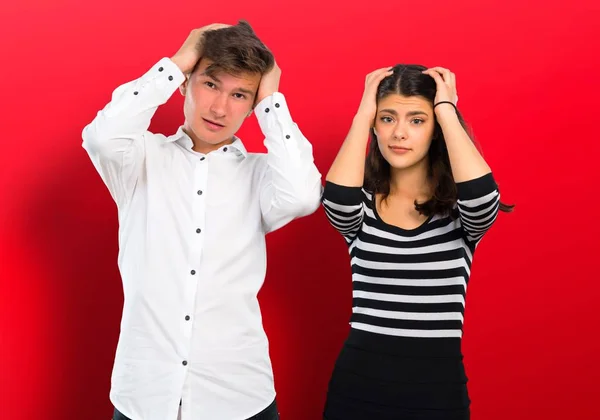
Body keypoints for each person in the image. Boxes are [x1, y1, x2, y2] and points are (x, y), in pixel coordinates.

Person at [82, 20, 322, 420]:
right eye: (210, 84)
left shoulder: (262, 175)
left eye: (240, 94)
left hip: (239, 396)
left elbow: (302, 195)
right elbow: (101, 137)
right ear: (184, 84)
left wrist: (272, 100)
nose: (220, 108)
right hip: (144, 396)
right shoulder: (139, 158)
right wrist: (178, 61)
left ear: (252, 104)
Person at [321, 64, 513, 420]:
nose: (400, 133)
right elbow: (336, 199)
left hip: (437, 395)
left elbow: (484, 197)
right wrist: (363, 113)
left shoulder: (460, 214)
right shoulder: (361, 210)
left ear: (435, 130)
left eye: (417, 120)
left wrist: (446, 110)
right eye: (388, 118)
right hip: (356, 391)